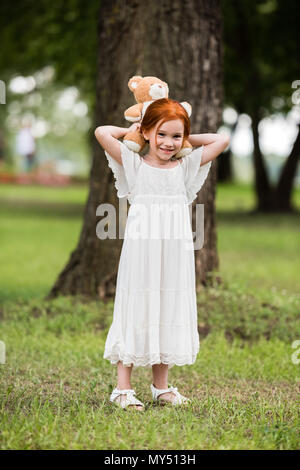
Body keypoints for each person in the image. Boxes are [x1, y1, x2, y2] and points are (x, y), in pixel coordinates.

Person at [95, 98, 229, 411]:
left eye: (176, 136)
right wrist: (138, 132)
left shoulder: (186, 167)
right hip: (142, 251)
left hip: (174, 253)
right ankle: (123, 388)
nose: (169, 143)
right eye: (162, 135)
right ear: (147, 133)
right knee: (137, 307)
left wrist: (184, 136)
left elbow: (221, 140)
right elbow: (102, 133)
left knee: (168, 307)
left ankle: (161, 387)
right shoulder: (134, 165)